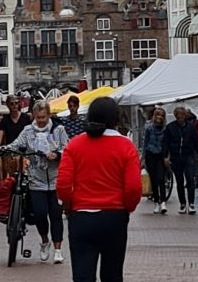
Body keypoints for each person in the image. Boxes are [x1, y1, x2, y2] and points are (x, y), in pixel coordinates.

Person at [57, 96, 142, 282]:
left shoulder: (75, 145)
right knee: (112, 274)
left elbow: (63, 185)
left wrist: (70, 204)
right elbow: (134, 188)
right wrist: (126, 207)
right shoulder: (126, 146)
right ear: (116, 119)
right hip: (114, 216)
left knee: (82, 275)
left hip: (82, 216)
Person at [1, 99, 68, 263]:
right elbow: (17, 144)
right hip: (36, 180)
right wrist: (3, 148)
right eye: (38, 117)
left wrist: (57, 155)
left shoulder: (58, 129)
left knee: (56, 215)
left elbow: (67, 149)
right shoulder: (28, 130)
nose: (41, 120)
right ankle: (45, 241)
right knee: (39, 214)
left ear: (49, 115)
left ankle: (58, 250)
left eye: (43, 117)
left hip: (54, 179)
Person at [163, 106, 198, 214]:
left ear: (185, 116)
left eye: (182, 115)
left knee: (190, 179)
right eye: (178, 115)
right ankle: (183, 203)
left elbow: (196, 141)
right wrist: (165, 156)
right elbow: (166, 143)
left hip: (188, 155)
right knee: (179, 181)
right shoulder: (170, 128)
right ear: (175, 116)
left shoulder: (191, 127)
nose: (180, 118)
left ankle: (191, 203)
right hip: (176, 156)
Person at [0, 95, 32, 180]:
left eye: (16, 103)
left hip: (24, 151)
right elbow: (0, 134)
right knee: (12, 177)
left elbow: (31, 133)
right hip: (11, 151)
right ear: (8, 105)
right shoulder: (5, 120)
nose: (14, 105)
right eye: (12, 104)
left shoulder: (25, 117)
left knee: (26, 175)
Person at [141, 106, 168, 214]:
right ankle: (156, 202)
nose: (159, 117)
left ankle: (163, 202)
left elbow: (167, 144)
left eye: (161, 115)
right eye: (157, 115)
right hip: (150, 154)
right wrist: (142, 158)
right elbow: (145, 143)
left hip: (161, 155)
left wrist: (167, 156)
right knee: (153, 180)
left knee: (161, 178)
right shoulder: (149, 128)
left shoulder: (166, 129)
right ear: (154, 116)